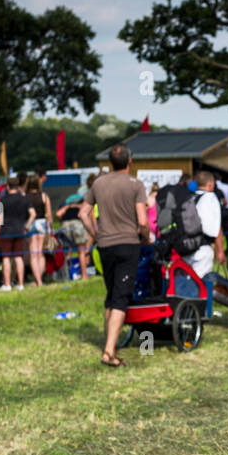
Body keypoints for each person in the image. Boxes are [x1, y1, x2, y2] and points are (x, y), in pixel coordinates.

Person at [79, 146, 149, 366]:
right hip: (128, 244)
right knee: (121, 297)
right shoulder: (135, 184)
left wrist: (95, 234)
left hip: (105, 244)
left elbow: (83, 213)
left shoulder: (98, 183)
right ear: (129, 161)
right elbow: (143, 221)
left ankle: (109, 343)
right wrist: (145, 238)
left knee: (111, 296)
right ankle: (109, 352)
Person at [188, 171, 226, 320]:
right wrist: (220, 250)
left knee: (189, 281)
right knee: (205, 281)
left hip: (186, 247)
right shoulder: (210, 198)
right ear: (211, 184)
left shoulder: (189, 197)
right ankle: (205, 311)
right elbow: (215, 227)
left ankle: (188, 308)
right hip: (203, 247)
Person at [0, 175, 33, 290]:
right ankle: (20, 284)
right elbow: (33, 213)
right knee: (18, 257)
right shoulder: (24, 199)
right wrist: (26, 226)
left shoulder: (2, 200)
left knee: (6, 258)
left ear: (7, 186)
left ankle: (7, 284)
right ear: (17, 186)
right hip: (19, 230)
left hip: (5, 231)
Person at [55, 186, 91, 280]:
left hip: (65, 226)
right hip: (78, 225)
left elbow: (58, 214)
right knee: (81, 252)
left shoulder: (67, 207)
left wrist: (67, 207)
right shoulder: (83, 207)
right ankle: (84, 275)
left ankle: (67, 276)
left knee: (67, 252)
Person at [24, 173, 53, 287]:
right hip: (42, 223)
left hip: (30, 223)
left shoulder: (24, 196)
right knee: (41, 254)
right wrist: (51, 229)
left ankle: (38, 281)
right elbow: (49, 215)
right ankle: (39, 279)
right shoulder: (44, 196)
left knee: (33, 255)